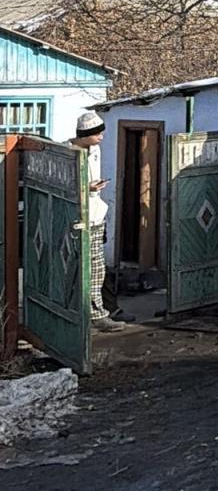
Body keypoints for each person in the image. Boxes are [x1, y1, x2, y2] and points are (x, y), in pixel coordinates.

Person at [68, 112, 125, 332]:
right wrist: (87, 187)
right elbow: (67, 184)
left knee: (97, 269)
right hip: (77, 217)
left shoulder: (95, 151)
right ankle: (86, 313)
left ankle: (96, 312)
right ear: (85, 135)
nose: (101, 136)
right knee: (77, 268)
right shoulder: (69, 153)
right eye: (97, 133)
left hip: (95, 215)